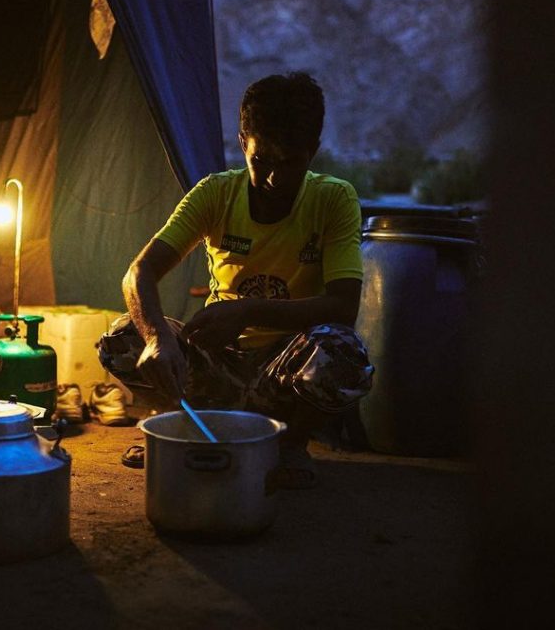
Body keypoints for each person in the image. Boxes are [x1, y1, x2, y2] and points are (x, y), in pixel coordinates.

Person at [99, 72, 373, 487]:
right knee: (123, 338)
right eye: (261, 160)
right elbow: (140, 272)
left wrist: (246, 310)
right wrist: (157, 337)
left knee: (344, 355)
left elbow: (343, 306)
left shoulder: (334, 199)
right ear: (244, 143)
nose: (275, 178)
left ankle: (289, 445)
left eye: (291, 162)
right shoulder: (215, 194)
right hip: (215, 366)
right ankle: (181, 424)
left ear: (312, 152)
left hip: (284, 377)